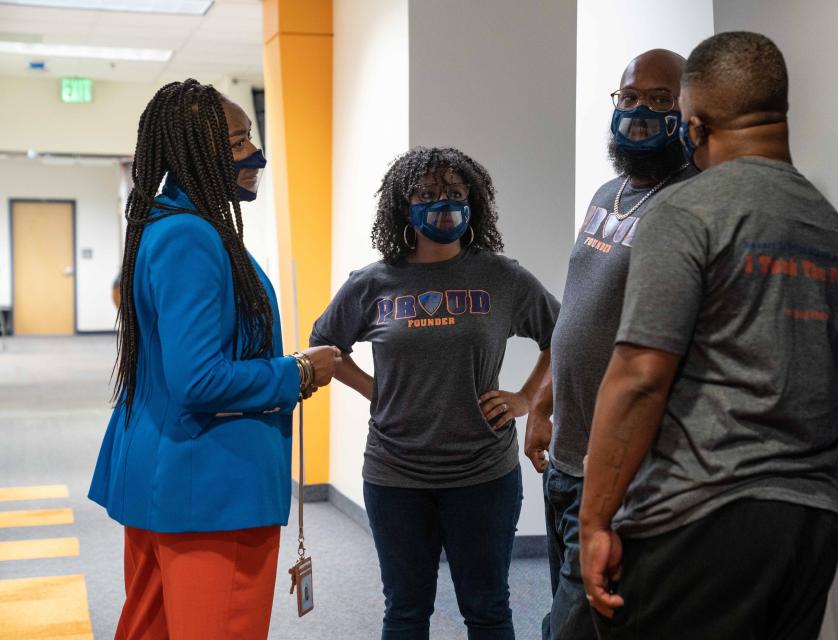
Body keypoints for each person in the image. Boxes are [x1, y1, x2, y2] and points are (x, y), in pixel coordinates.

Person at [579, 32, 838, 639]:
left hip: (700, 521)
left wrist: (594, 523)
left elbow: (639, 377)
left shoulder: (689, 212)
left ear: (694, 123)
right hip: (810, 529)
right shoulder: (835, 236)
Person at [88, 79, 341, 640]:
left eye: (249, 137)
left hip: (171, 478)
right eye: (234, 144)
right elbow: (198, 379)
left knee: (151, 628)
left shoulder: (168, 225)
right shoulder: (192, 238)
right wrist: (297, 372)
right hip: (211, 487)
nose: (256, 156)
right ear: (190, 154)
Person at [309, 146, 559, 640]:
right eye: (425, 194)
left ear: (474, 202)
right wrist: (375, 392)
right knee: (405, 611)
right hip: (395, 472)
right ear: (404, 205)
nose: (441, 204)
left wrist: (527, 399)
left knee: (487, 610)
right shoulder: (373, 283)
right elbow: (325, 346)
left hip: (483, 471)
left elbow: (562, 334)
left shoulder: (501, 276)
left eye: (454, 193)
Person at [523, 49, 696, 640]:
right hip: (566, 458)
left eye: (658, 99)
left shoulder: (690, 203)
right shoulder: (606, 194)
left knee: (571, 626)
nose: (639, 112)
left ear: (688, 110)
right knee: (577, 615)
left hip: (619, 471)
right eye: (628, 98)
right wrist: (543, 406)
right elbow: (575, 312)